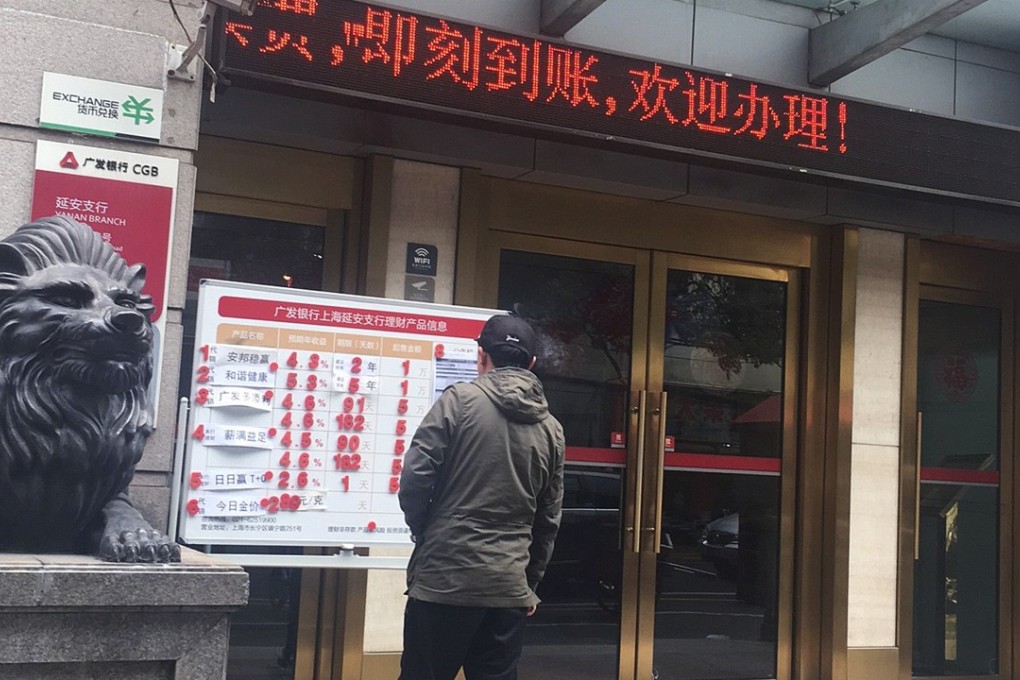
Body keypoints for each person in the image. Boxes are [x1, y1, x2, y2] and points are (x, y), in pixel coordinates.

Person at [397, 314, 565, 680]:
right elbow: (549, 516)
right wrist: (529, 583)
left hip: (445, 578)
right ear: (532, 364)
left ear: (481, 355)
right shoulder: (551, 429)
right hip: (508, 585)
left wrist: (426, 530)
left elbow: (415, 476)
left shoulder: (458, 401)